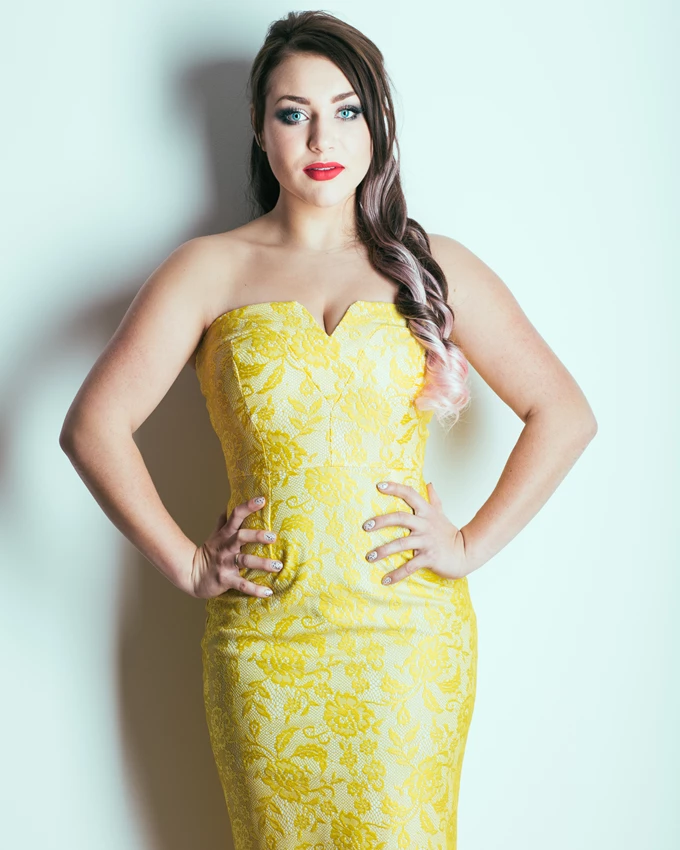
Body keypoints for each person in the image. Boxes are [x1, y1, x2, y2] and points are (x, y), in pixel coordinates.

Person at [59, 10, 598, 849]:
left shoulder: (431, 264)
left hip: (408, 637)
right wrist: (190, 562)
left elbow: (563, 412)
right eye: (293, 111)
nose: (322, 135)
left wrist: (467, 544)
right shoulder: (209, 269)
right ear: (258, 125)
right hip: (264, 640)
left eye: (347, 109)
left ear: (378, 122)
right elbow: (92, 425)